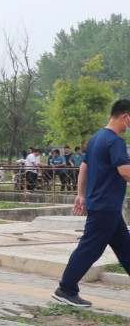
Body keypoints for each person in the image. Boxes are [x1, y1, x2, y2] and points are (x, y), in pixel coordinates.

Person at [52, 99, 130, 307]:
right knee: (90, 249)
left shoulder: (97, 138)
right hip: (106, 205)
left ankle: (66, 288)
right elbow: (125, 171)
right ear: (125, 117)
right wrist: (81, 194)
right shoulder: (115, 140)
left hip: (104, 205)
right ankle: (66, 289)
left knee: (126, 248)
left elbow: (84, 167)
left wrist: (81, 194)